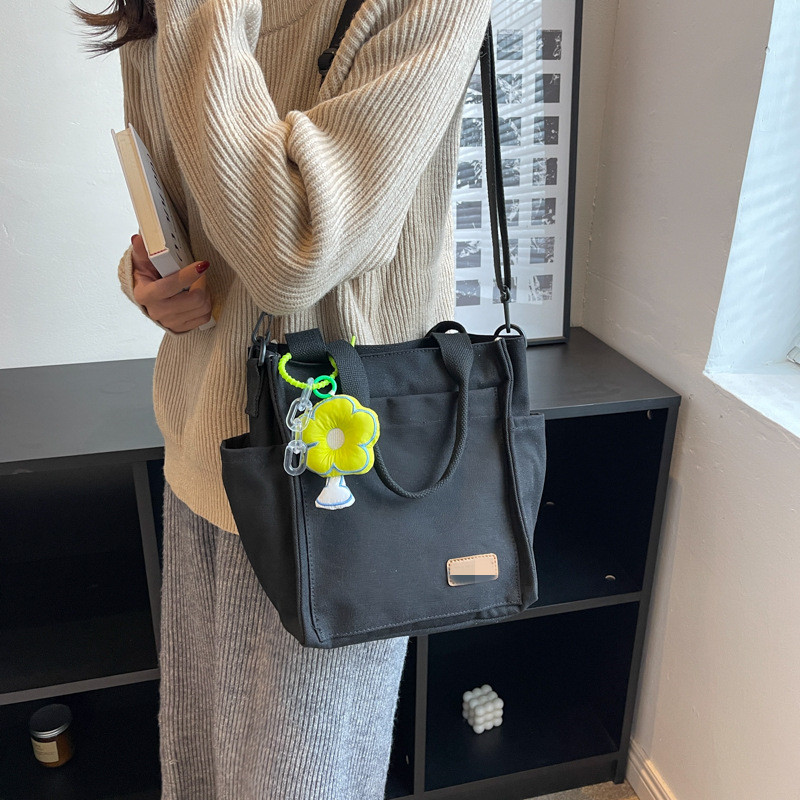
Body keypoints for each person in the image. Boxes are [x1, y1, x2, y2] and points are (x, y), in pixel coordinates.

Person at [74, 0, 493, 796]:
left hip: (338, 488)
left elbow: (291, 250)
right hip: (204, 455)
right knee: (198, 771)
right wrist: (151, 283)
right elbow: (184, 215)